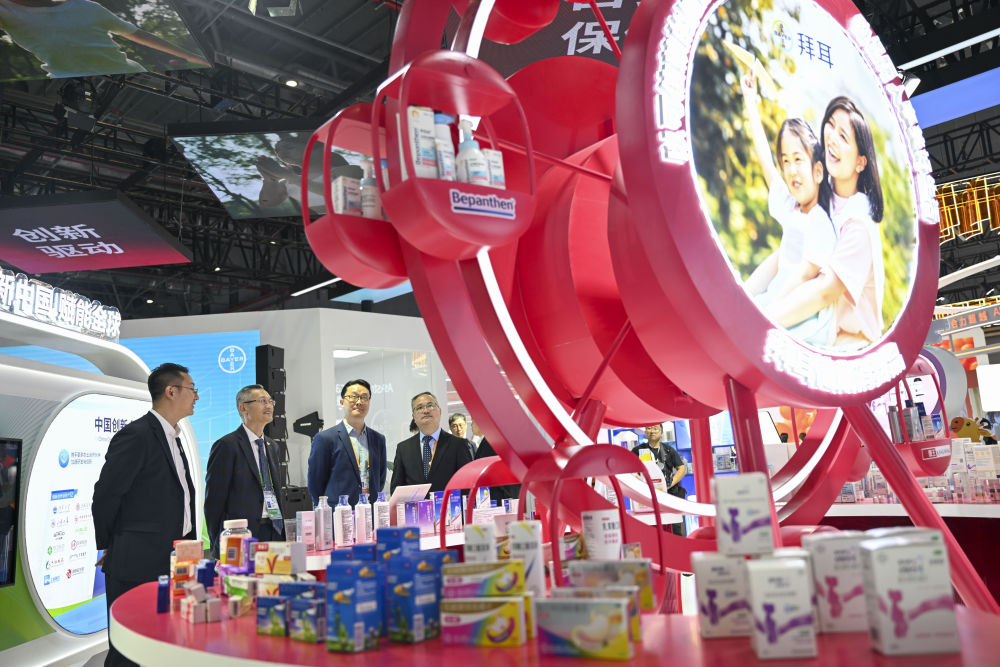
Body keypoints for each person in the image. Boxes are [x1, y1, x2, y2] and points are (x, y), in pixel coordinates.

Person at [92, 363, 198, 667]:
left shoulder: (174, 437)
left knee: (162, 643)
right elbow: (106, 495)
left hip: (172, 559)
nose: (196, 397)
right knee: (129, 650)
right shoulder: (137, 435)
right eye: (192, 390)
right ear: (171, 391)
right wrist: (111, 544)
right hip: (137, 561)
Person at [765, 96, 886, 350]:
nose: (831, 137)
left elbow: (824, 291)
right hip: (816, 330)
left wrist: (763, 320)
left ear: (860, 162)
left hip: (850, 347)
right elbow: (789, 251)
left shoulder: (858, 223)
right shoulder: (822, 198)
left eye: (843, 136)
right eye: (830, 124)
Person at [740, 71, 837, 347]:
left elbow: (804, 277)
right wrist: (750, 101)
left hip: (795, 317)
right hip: (772, 304)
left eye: (798, 159)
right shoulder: (791, 207)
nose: (791, 169)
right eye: (786, 161)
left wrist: (768, 313)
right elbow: (765, 162)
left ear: (818, 171)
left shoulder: (821, 222)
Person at [0, 0, 210, 79]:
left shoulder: (86, 7)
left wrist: (193, 57)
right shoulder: (8, 13)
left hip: (129, 74)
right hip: (71, 82)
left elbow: (139, 34)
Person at [204, 384, 288, 558]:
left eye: (270, 401)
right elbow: (214, 501)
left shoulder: (272, 446)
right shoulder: (227, 446)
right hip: (242, 534)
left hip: (274, 529)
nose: (269, 405)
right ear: (243, 408)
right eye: (262, 401)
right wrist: (217, 544)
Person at [307, 379, 387, 507]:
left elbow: (380, 479)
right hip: (338, 513)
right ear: (342, 402)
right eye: (353, 397)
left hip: (370, 511)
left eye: (364, 397)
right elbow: (315, 484)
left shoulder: (378, 439)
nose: (359, 402)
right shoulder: (325, 439)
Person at [390, 392, 473, 494]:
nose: (425, 411)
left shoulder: (458, 444)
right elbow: (396, 490)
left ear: (440, 411)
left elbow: (468, 485)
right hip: (415, 505)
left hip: (448, 504)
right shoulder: (403, 449)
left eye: (430, 405)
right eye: (419, 407)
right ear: (413, 416)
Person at [632, 423, 687, 536]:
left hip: (669, 494)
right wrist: (641, 482)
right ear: (645, 432)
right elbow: (630, 469)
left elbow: (682, 468)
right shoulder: (637, 450)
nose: (652, 431)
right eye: (648, 428)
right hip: (648, 496)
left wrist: (670, 483)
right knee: (650, 528)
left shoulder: (669, 450)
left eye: (655, 429)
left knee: (674, 527)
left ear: (661, 433)